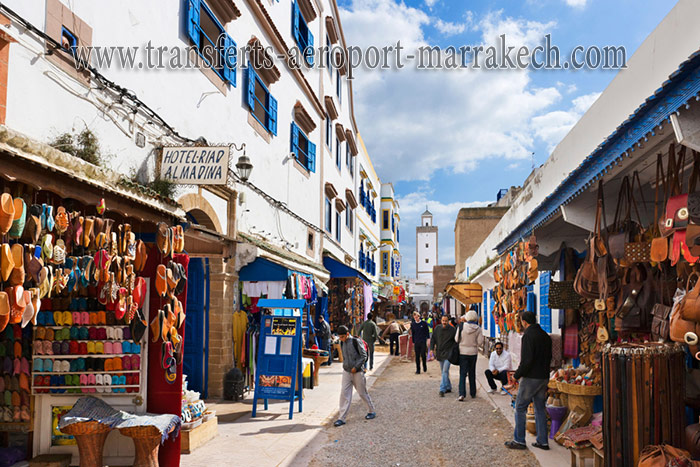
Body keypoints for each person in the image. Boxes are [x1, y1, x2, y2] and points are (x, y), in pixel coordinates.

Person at [505, 311, 552, 451]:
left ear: (524, 322)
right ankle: (542, 441)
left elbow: (527, 360)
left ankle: (519, 440)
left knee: (520, 407)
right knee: (539, 408)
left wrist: (517, 375)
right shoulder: (545, 335)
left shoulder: (528, 336)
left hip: (531, 377)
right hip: (543, 376)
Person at [333, 326, 376, 427]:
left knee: (362, 393)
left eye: (342, 337)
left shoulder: (356, 341)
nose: (341, 339)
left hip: (357, 372)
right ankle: (341, 418)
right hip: (347, 371)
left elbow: (364, 356)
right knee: (344, 393)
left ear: (347, 334)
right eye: (340, 337)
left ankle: (371, 411)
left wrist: (356, 367)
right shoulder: (342, 342)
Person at [454, 310, 483, 401]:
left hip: (463, 352)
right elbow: (480, 342)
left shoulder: (461, 326)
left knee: (462, 373)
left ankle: (462, 393)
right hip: (473, 353)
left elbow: (456, 339)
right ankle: (473, 392)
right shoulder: (478, 329)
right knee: (472, 372)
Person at [430, 314, 456, 397]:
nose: (444, 322)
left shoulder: (452, 330)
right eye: (443, 321)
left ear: (448, 321)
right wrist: (431, 349)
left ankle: (442, 389)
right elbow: (433, 339)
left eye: (446, 321)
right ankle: (448, 386)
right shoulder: (437, 328)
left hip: (448, 354)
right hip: (440, 353)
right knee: (443, 372)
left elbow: (456, 341)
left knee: (445, 371)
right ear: (441, 321)